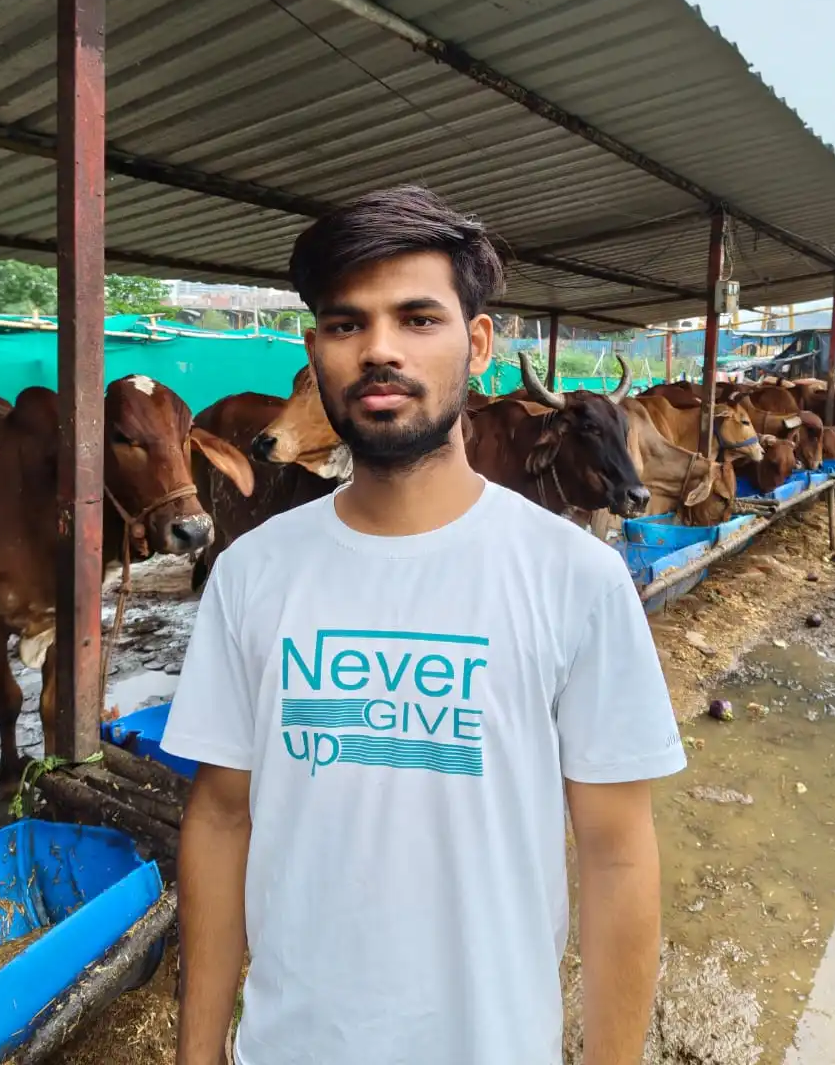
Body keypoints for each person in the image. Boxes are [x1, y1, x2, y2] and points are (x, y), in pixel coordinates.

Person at [163, 185, 686, 1065]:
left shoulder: (574, 578)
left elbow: (616, 854)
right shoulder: (253, 573)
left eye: (416, 319)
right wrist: (196, 1050)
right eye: (345, 325)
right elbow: (219, 820)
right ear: (315, 351)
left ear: (476, 344)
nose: (378, 350)